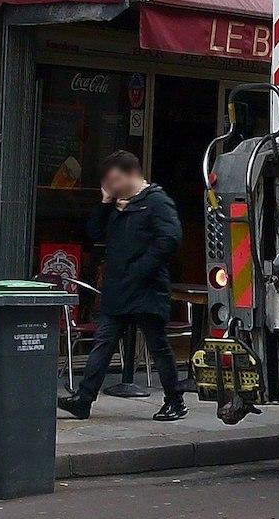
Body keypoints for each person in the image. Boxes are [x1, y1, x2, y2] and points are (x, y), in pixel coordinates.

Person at [58, 150, 187, 422]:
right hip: (118, 289)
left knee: (157, 345)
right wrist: (105, 203)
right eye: (108, 182)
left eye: (115, 180)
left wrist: (140, 270)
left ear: (132, 174)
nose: (112, 186)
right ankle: (83, 399)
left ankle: (175, 401)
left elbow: (170, 239)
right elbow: (95, 233)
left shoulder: (156, 201)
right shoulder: (118, 205)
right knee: (103, 343)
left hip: (147, 288)